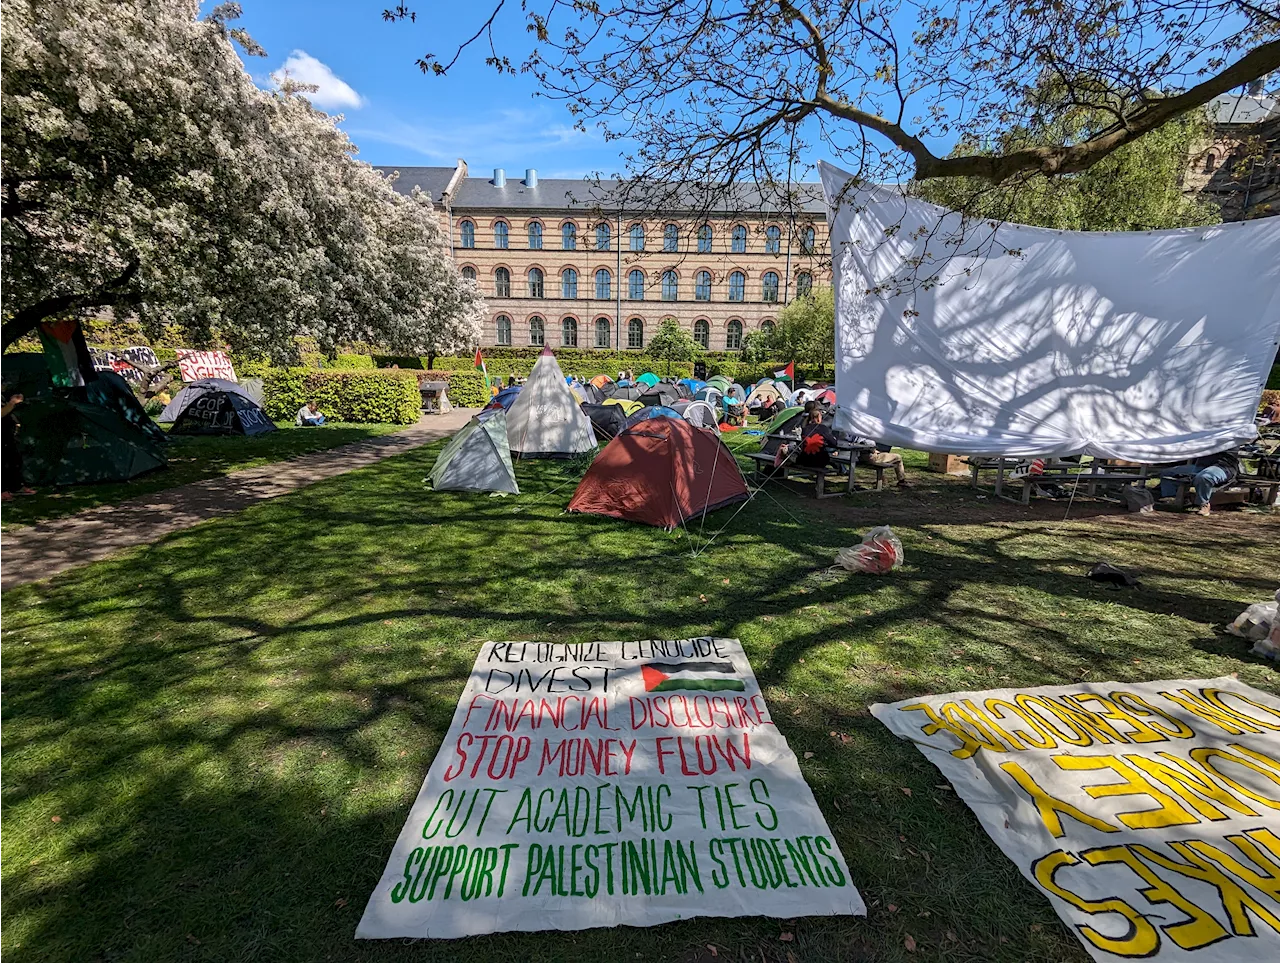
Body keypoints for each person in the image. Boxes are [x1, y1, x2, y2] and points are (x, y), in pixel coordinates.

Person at [1157, 449, 1239, 515]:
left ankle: (1204, 504)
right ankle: (1171, 498)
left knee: (1204, 477)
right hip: (1200, 466)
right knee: (1167, 473)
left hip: (1223, 467)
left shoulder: (1231, 432)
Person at [0, 385, 34, 500]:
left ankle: (16, 487)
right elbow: (1, 413)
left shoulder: (2, 396)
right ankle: (2, 491)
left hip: (6, 434)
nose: (3, 386)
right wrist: (12, 403)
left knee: (14, 459)